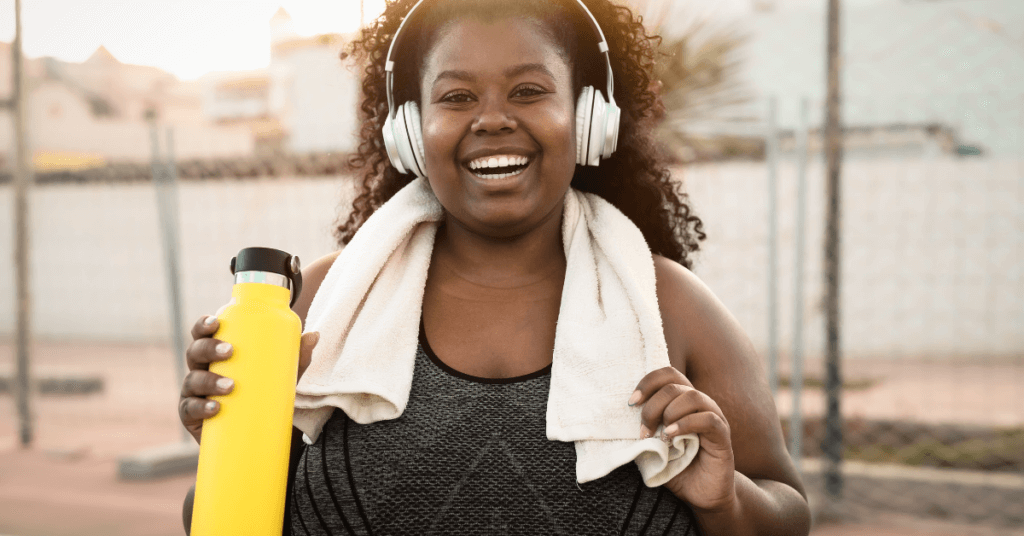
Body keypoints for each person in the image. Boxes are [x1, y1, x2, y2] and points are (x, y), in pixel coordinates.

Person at [180, 0, 811, 534]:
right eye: (456, 97)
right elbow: (213, 519)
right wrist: (228, 445)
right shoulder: (317, 304)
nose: (492, 119)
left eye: (529, 91)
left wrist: (726, 498)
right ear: (409, 131)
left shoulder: (673, 307)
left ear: (591, 118)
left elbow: (790, 514)